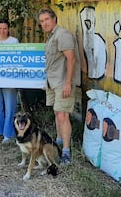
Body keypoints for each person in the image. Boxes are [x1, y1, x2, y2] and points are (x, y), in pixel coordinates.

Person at [38, 8, 80, 164]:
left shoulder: (62, 35)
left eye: (46, 19)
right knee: (57, 113)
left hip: (63, 83)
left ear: (54, 19)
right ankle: (59, 141)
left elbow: (71, 59)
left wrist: (68, 83)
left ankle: (66, 152)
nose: (44, 23)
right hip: (52, 82)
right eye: (41, 21)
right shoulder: (51, 37)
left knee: (63, 115)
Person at [0, 19, 19, 143]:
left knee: (10, 105)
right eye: (0, 28)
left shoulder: (14, 41)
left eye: (5, 28)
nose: (2, 31)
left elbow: (18, 58)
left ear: (8, 29)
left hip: (9, 79)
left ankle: (9, 133)